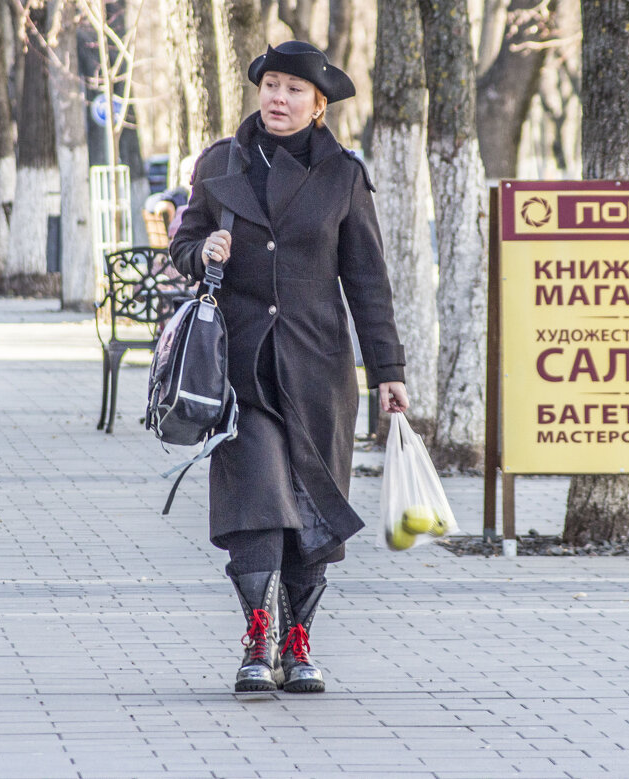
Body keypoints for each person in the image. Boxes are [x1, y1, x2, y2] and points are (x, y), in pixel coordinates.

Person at [169, 41, 409, 694]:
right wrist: (202, 251)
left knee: (311, 508)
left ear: (319, 106)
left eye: (293, 89)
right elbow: (183, 244)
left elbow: (367, 280)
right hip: (240, 370)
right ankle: (256, 634)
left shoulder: (342, 176)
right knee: (258, 502)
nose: (278, 97)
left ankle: (298, 638)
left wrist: (390, 369)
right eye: (271, 84)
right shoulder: (222, 162)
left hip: (317, 371)